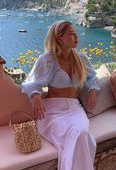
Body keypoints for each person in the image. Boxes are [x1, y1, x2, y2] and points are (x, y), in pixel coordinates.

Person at [21, 20, 100, 170]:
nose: (76, 37)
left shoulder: (81, 58)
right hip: (53, 111)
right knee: (80, 136)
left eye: (76, 34)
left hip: (75, 108)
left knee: (81, 132)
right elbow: (30, 83)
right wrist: (36, 96)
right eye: (71, 34)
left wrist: (93, 90)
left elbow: (91, 78)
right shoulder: (47, 60)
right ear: (59, 38)